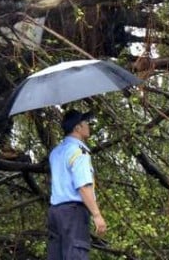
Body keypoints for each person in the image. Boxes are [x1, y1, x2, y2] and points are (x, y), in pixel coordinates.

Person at [47, 109, 107, 259]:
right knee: (76, 254)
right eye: (86, 122)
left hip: (55, 212)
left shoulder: (56, 152)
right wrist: (97, 215)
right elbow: (83, 186)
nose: (89, 125)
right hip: (73, 213)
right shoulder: (79, 152)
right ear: (77, 128)